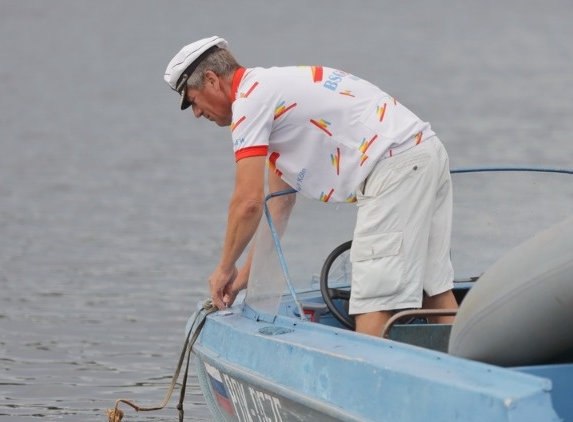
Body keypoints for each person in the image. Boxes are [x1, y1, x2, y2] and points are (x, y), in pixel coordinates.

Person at [163, 36, 458, 337]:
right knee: (433, 290)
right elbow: (277, 204)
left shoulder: (249, 103)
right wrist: (242, 278)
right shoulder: (269, 89)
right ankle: (470, 373)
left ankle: (358, 381)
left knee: (373, 300)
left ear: (212, 80)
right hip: (424, 152)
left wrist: (224, 267)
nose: (197, 113)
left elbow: (248, 201)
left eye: (193, 100)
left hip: (394, 167)